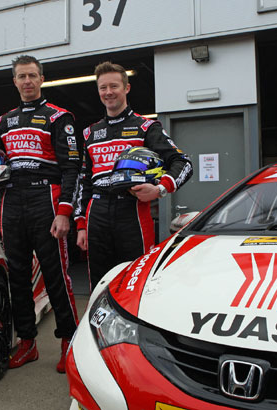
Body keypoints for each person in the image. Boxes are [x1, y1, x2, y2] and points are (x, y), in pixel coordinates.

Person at [0, 55, 80, 373]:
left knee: (55, 275)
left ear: (42, 78)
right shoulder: (3, 121)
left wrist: (64, 212)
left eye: (32, 75)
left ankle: (68, 340)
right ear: (14, 81)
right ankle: (27, 343)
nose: (27, 81)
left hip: (47, 197)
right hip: (11, 200)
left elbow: (72, 167)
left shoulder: (60, 117)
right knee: (18, 277)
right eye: (21, 76)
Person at [74, 61, 193, 291]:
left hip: (132, 212)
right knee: (99, 284)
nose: (108, 92)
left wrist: (159, 189)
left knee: (135, 281)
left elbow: (183, 163)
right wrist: (80, 225)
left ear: (126, 88)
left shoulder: (146, 127)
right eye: (103, 88)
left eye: (114, 86)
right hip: (96, 214)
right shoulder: (90, 132)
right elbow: (84, 181)